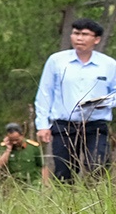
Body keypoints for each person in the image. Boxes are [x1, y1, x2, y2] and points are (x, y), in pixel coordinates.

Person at [34, 17, 116, 182]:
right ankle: (67, 206)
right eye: (76, 33)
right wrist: (42, 125)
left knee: (98, 168)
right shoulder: (57, 61)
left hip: (95, 125)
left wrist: (103, 103)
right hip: (64, 125)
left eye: (85, 34)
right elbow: (45, 92)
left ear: (96, 39)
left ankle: (96, 204)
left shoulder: (109, 64)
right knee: (63, 173)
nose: (79, 38)